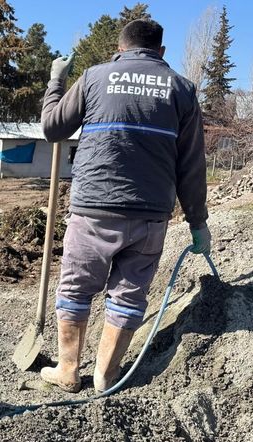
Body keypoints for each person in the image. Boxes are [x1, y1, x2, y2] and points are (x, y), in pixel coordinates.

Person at [38, 19, 211, 393]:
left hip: (93, 210)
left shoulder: (94, 77)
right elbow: (191, 164)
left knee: (75, 288)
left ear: (119, 48)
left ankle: (68, 370)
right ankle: (105, 377)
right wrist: (198, 222)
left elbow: (52, 128)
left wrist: (56, 82)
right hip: (150, 216)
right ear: (161, 53)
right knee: (130, 295)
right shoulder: (182, 89)